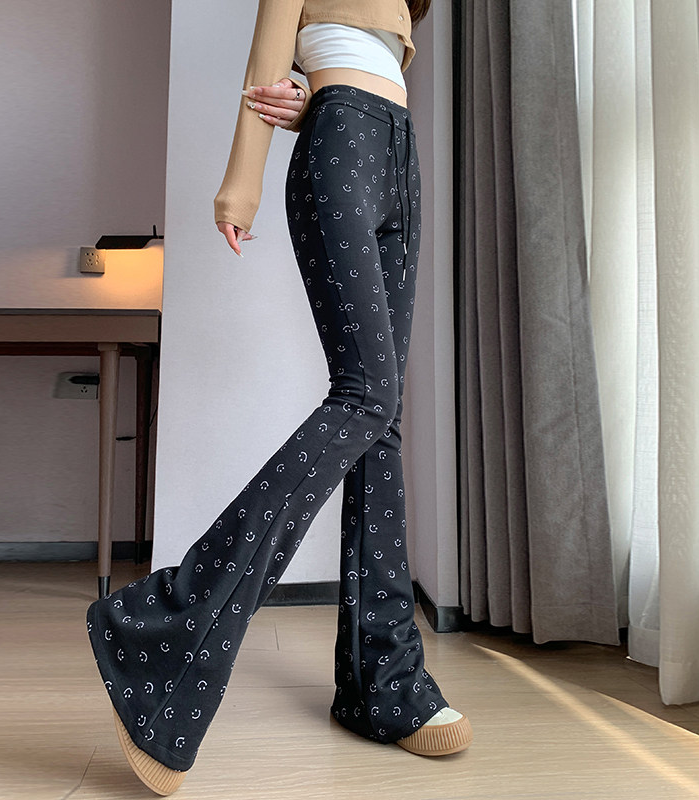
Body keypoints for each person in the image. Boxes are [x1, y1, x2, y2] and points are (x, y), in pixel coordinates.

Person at [86, 1, 472, 794]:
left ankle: (383, 683)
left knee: (383, 420)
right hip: (343, 144)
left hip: (397, 153)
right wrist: (242, 181)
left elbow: (371, 56)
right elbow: (272, 50)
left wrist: (325, 98)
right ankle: (166, 623)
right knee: (365, 397)